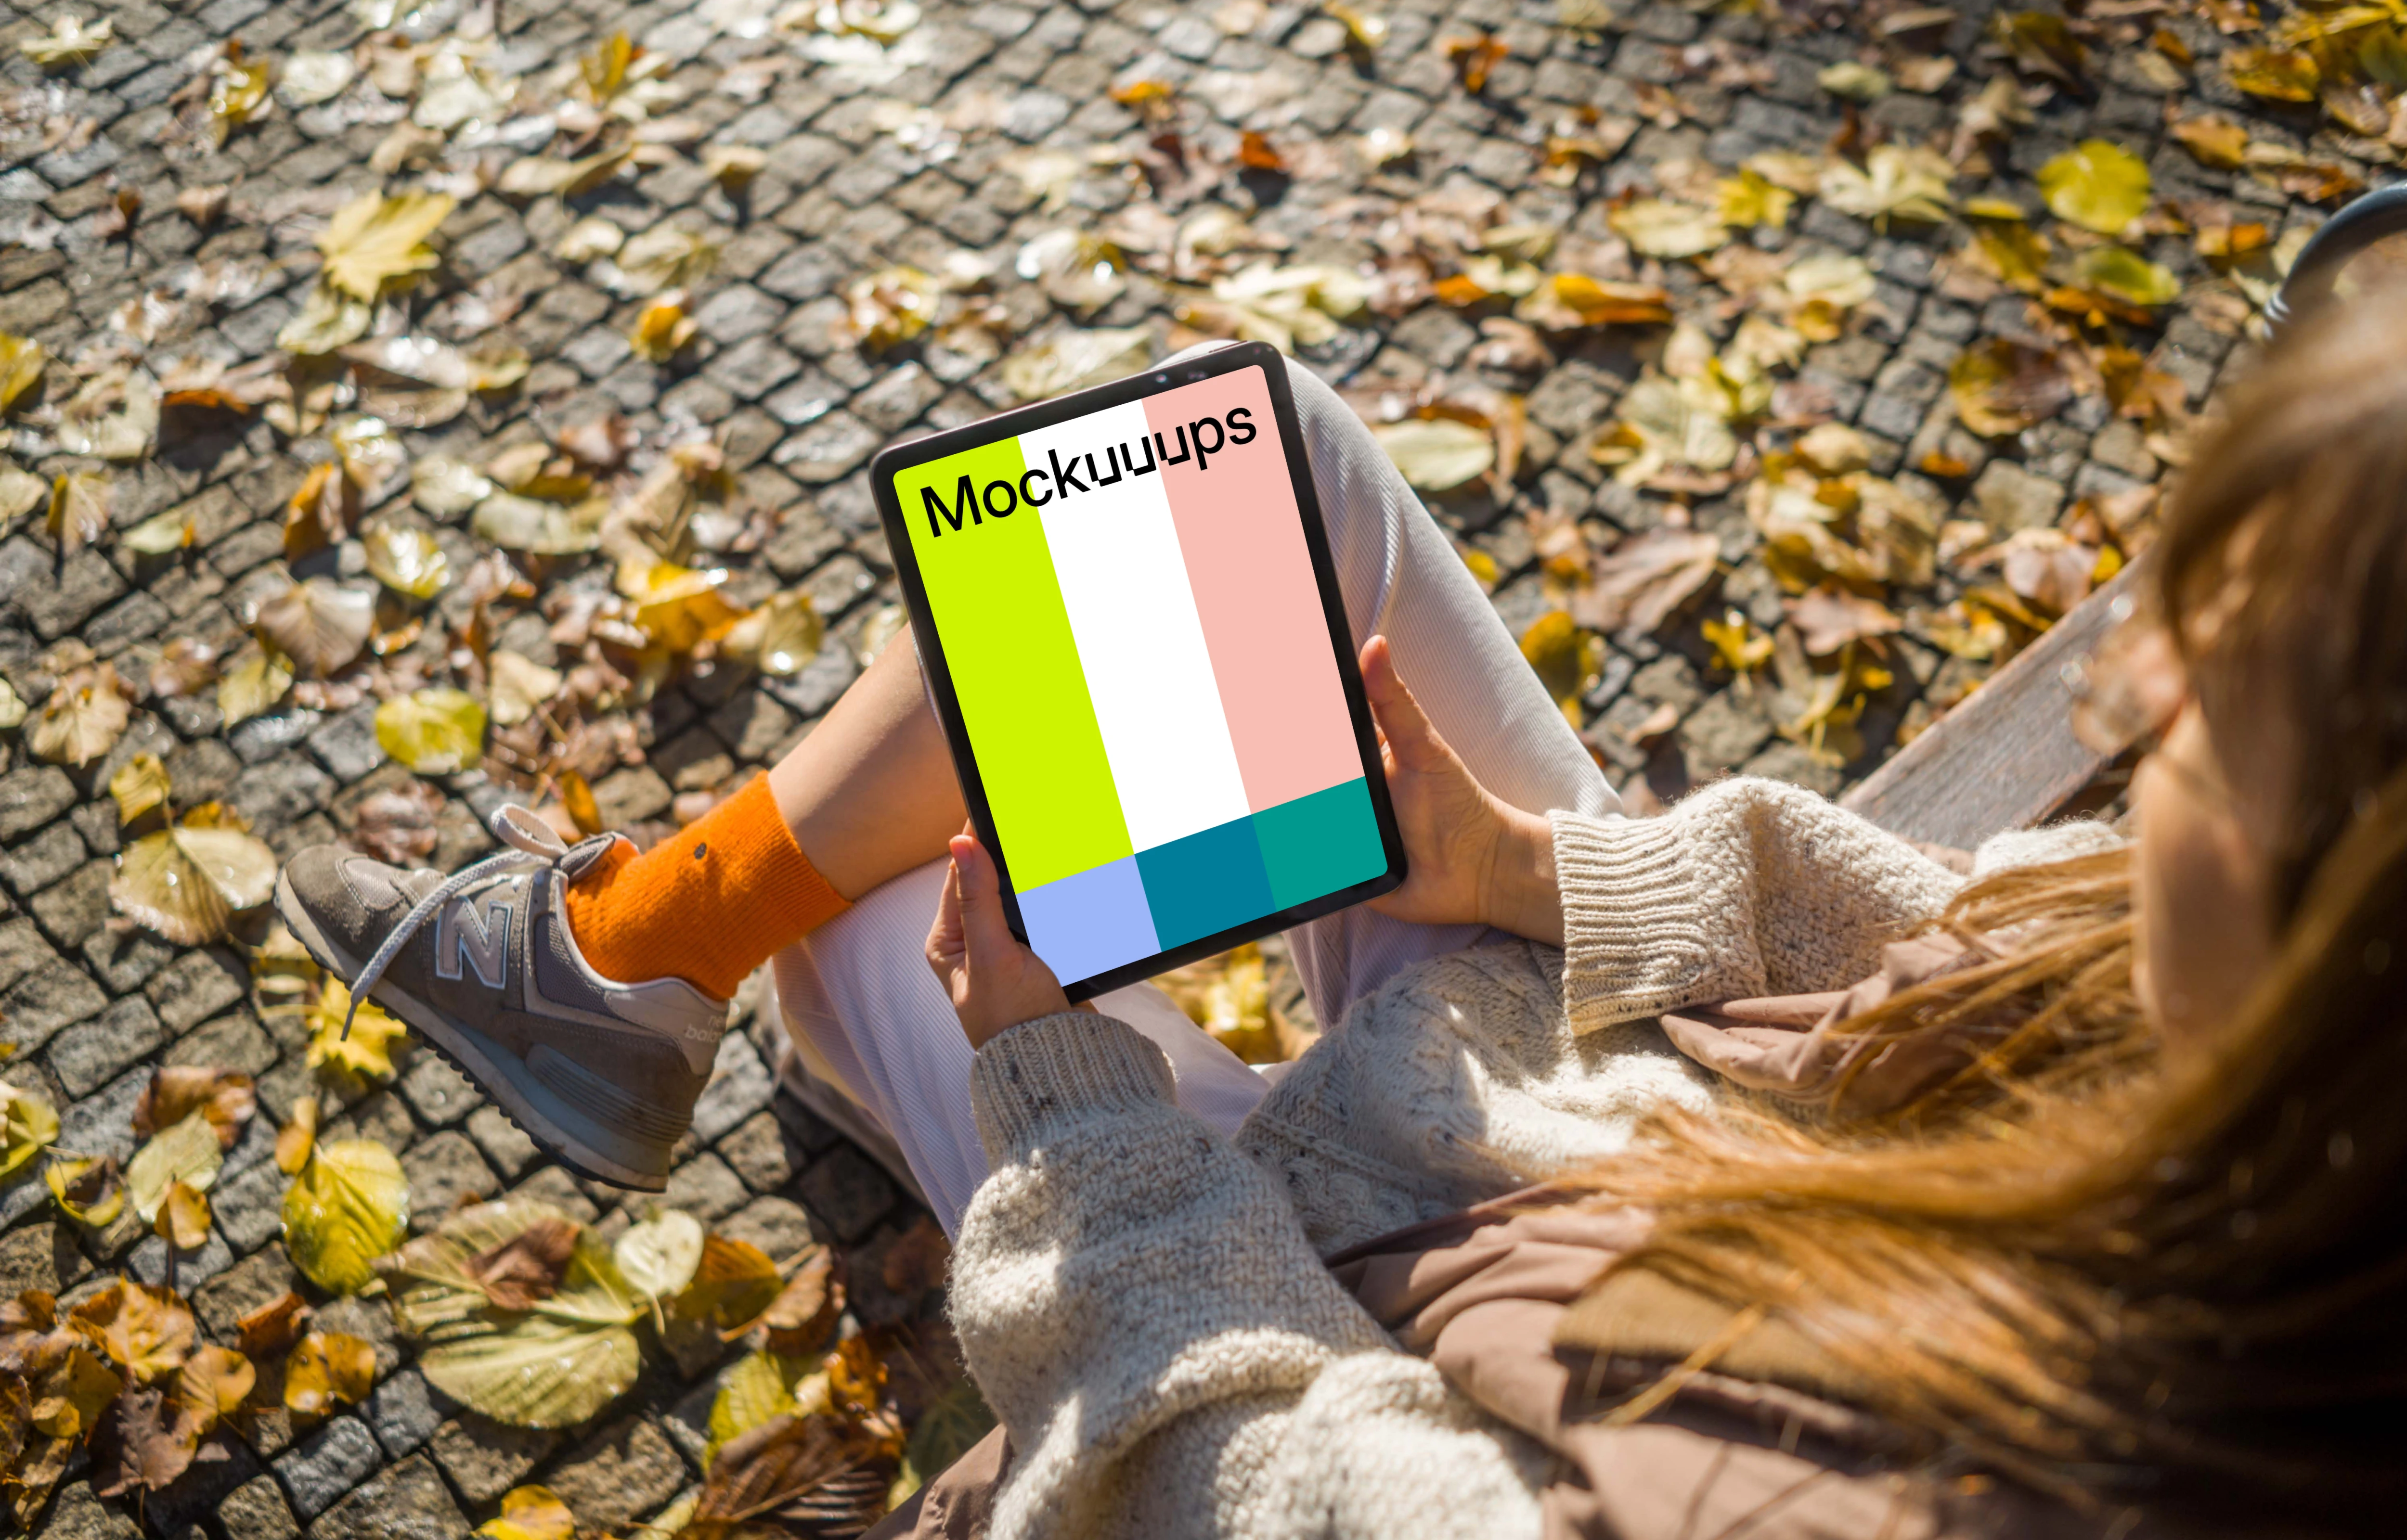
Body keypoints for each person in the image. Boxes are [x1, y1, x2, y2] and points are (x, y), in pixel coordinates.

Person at [280, 275, 2407, 1537]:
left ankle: (642, 970)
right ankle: (635, 950)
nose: (2128, 697)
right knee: (1242, 471)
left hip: (1354, 1284)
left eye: (2200, 716)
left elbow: (1271, 1478)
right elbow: (1935, 922)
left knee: (869, 931)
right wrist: (1523, 867)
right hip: (1598, 1071)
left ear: (2344, 957)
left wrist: (1073, 1098)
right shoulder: (2295, 1110)